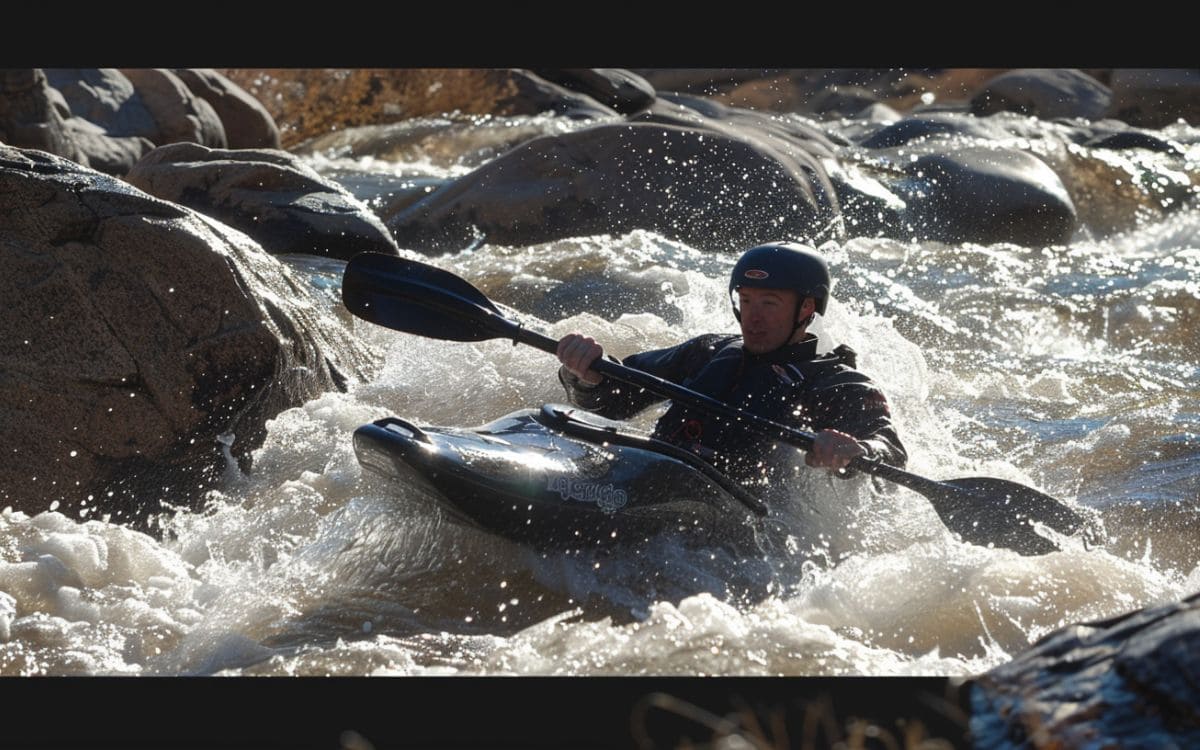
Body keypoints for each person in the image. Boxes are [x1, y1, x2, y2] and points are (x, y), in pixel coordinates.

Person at [555, 241, 906, 488]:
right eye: (746, 300)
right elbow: (615, 400)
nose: (752, 317)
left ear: (806, 310)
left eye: (770, 303)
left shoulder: (838, 383)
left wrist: (857, 451)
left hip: (737, 516)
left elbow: (889, 449)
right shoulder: (708, 351)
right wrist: (585, 374)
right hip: (655, 478)